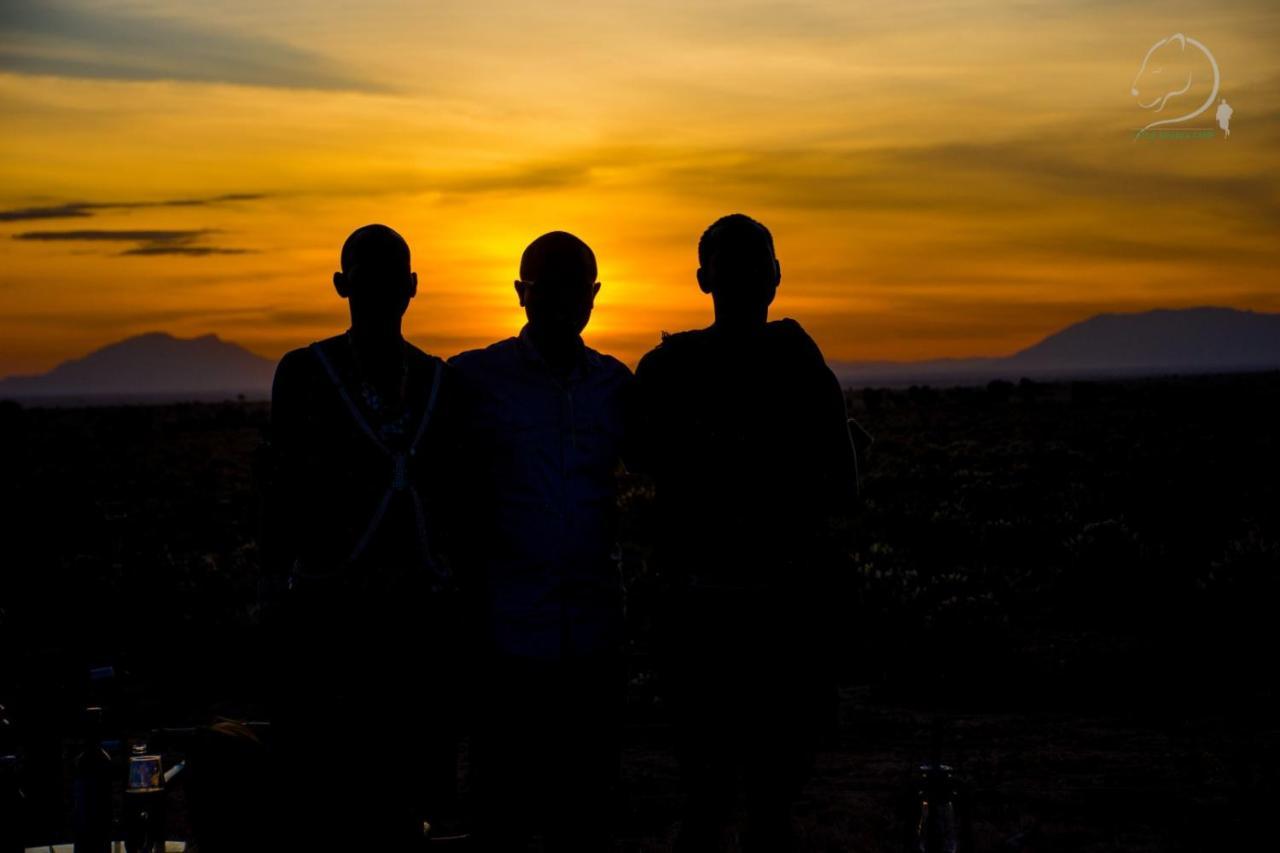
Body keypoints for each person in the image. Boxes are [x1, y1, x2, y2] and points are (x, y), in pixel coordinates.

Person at [632, 213, 860, 852]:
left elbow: (641, 458)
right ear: (776, 277)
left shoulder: (667, 369)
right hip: (767, 614)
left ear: (703, 280)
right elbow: (844, 487)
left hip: (718, 614)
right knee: (763, 805)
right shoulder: (800, 365)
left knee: (713, 802)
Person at [263, 224, 460, 851]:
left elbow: (455, 499)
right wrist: (276, 600)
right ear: (342, 286)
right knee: (330, 801)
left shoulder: (437, 383)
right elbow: (282, 495)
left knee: (405, 805)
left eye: (388, 281)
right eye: (366, 281)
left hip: (414, 624)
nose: (379, 294)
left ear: (411, 288)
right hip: (331, 621)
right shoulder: (305, 375)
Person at [449, 231, 631, 852]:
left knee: (582, 819)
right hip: (505, 643)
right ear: (521, 294)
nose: (559, 302)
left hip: (592, 640)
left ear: (594, 297)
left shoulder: (615, 386)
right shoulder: (472, 380)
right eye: (546, 288)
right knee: (501, 816)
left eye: (574, 289)